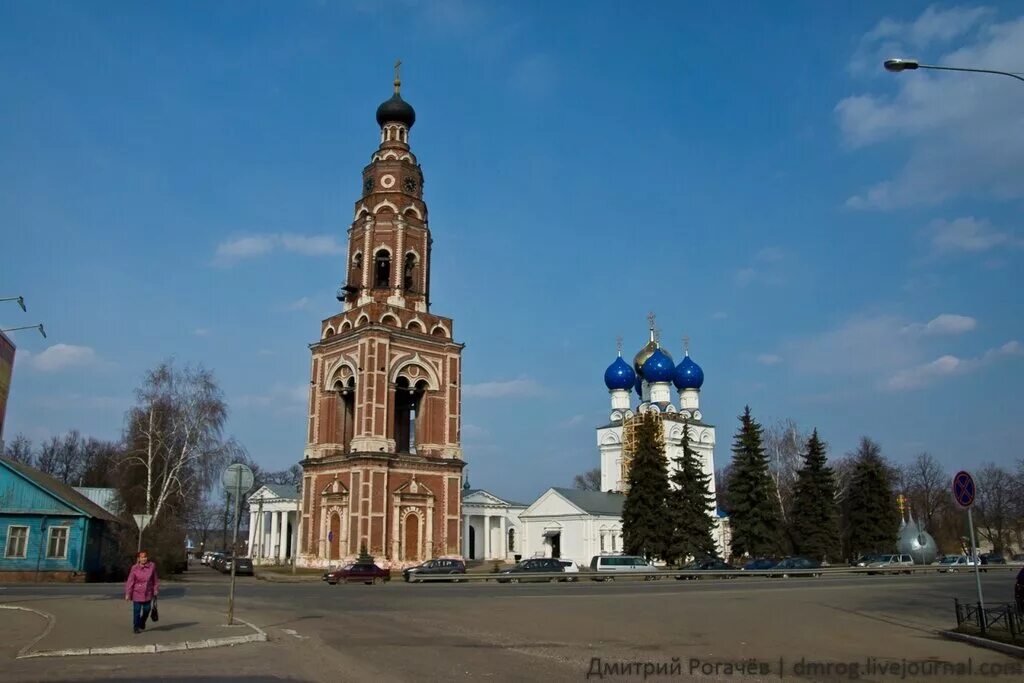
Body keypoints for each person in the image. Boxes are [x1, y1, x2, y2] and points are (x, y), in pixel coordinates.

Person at [124, 550, 160, 634]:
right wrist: (127, 593)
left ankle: (142, 621)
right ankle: (136, 626)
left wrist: (155, 589)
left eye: (145, 557)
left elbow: (155, 579)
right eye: (142, 557)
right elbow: (130, 581)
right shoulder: (134, 568)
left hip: (148, 592)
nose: (144, 559)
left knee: (147, 610)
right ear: (138, 558)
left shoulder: (152, 566)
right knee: (137, 610)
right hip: (137, 593)